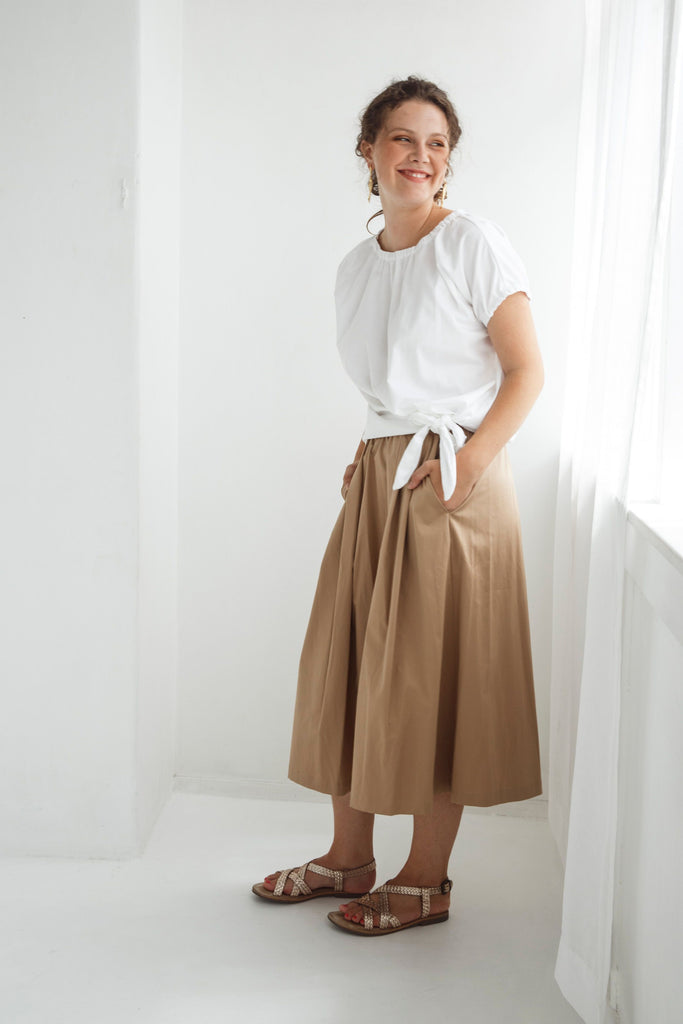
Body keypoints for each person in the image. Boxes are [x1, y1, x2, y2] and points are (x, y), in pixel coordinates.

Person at [251, 76, 544, 936]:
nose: (421, 157)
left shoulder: (472, 243)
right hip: (383, 476)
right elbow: (394, 383)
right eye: (402, 139)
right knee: (352, 668)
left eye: (437, 144)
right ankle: (348, 859)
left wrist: (467, 468)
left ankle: (426, 880)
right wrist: (369, 446)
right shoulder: (354, 266)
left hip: (451, 484)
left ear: (448, 161)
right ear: (368, 151)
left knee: (428, 680)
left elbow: (525, 374)